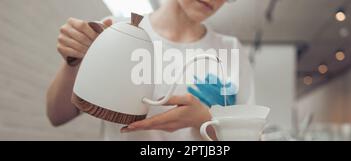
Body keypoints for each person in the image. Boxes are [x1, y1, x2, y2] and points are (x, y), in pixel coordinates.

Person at [46, 0, 255, 140]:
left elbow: (249, 136)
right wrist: (73, 63)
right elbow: (57, 116)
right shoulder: (117, 30)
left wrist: (204, 120)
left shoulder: (230, 49)